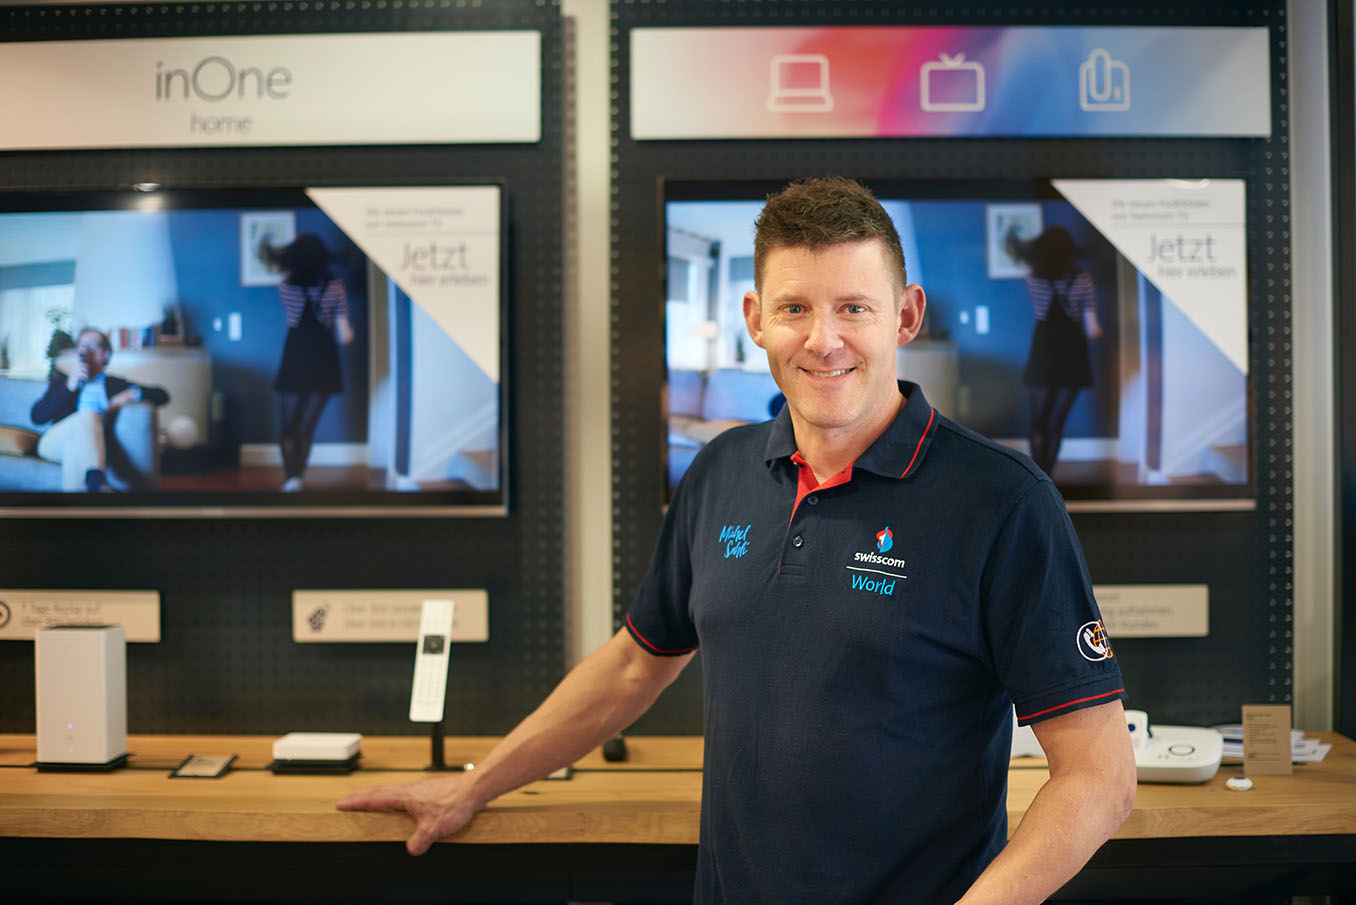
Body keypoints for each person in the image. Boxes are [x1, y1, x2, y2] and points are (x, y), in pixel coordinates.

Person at [338, 177, 1136, 905]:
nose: (823, 339)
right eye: (795, 309)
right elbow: (632, 666)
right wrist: (471, 786)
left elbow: (1099, 775)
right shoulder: (721, 470)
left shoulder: (1004, 502)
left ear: (905, 315)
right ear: (756, 319)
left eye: (854, 308)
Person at [1007, 225, 1103, 477]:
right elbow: (1092, 330)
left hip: (1044, 352)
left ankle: (1037, 478)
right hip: (1074, 354)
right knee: (1056, 423)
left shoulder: (1033, 278)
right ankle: (1048, 478)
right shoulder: (1082, 280)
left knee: (1038, 421)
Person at [262, 233, 354, 492]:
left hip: (295, 356)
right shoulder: (335, 287)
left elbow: (293, 318)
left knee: (288, 427)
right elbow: (345, 336)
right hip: (324, 359)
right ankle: (297, 480)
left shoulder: (286, 287)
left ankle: (290, 479)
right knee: (306, 428)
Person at [30, 327, 170, 492]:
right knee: (88, 415)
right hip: (53, 442)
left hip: (86, 446)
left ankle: (87, 494)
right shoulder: (63, 381)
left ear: (105, 354)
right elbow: (37, 417)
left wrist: (131, 394)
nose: (85, 351)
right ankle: (97, 481)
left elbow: (162, 395)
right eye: (82, 346)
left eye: (92, 346)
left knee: (73, 448)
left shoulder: (114, 385)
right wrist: (69, 387)